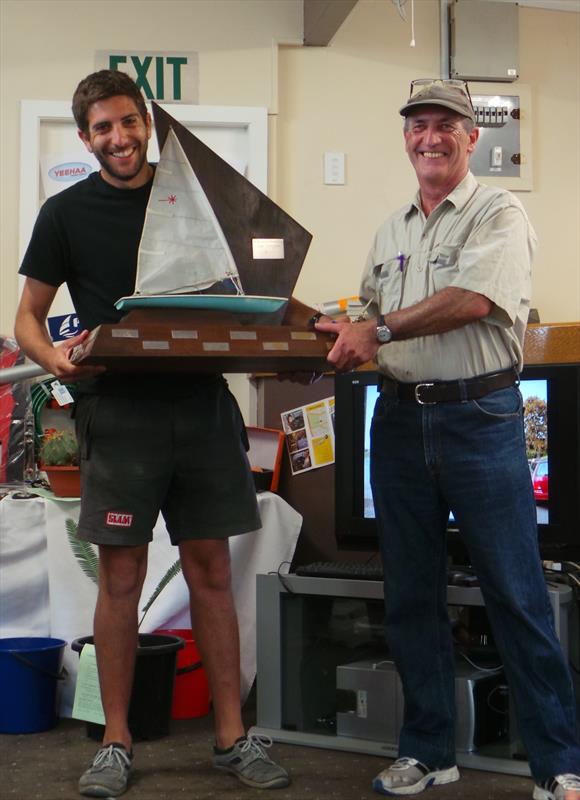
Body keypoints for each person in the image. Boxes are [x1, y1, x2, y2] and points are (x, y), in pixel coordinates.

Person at [15, 69, 289, 798]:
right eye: (102, 128)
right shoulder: (64, 214)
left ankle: (232, 737)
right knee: (121, 580)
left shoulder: (195, 203)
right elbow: (28, 320)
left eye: (128, 123)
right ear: (86, 139)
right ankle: (116, 740)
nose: (119, 138)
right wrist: (56, 364)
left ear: (148, 123)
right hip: (119, 414)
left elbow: (259, 280)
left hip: (202, 409)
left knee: (210, 574)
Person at [315, 79, 580, 800]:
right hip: (397, 421)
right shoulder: (391, 229)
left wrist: (380, 328)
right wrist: (334, 330)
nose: (429, 138)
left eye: (445, 126)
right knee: (409, 595)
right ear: (406, 138)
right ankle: (428, 751)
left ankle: (558, 762)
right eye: (418, 126)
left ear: (471, 138)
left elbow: (472, 301)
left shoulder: (499, 211)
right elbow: (368, 312)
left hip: (481, 418)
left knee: (517, 594)